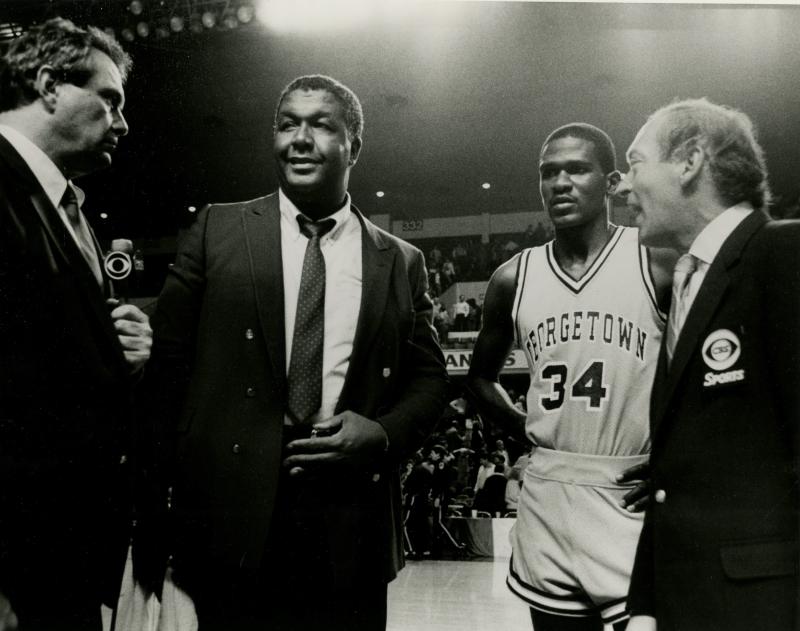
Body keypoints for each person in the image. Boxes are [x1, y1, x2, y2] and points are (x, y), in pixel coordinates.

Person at [146, 74, 448, 631]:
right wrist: (160, 503)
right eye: (288, 125)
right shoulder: (219, 228)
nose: (300, 139)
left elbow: (430, 380)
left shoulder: (399, 259)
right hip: (230, 517)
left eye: (320, 125)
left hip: (348, 517)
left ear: (353, 146)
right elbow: (167, 365)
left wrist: (382, 434)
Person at [467, 123, 675, 631]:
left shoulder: (657, 261)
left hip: (629, 491)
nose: (560, 182)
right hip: (549, 493)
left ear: (612, 183)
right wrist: (529, 433)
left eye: (577, 169)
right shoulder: (513, 278)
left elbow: (703, 378)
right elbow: (478, 380)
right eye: (548, 173)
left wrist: (680, 458)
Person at [617, 99, 800, 631]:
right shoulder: (687, 281)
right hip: (687, 601)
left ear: (690, 159)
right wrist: (646, 602)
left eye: (635, 163)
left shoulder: (784, 254)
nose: (624, 187)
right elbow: (676, 475)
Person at [0, 17, 152, 630]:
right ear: (48, 85)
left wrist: (124, 353)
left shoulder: (66, 207)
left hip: (59, 550)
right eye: (109, 99)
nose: (121, 121)